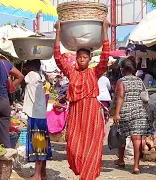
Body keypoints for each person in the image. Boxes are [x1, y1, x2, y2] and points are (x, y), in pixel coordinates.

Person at [54, 19, 110, 180]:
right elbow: (58, 58)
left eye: (85, 57)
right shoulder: (72, 72)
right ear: (76, 58)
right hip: (76, 113)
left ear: (89, 58)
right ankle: (83, 172)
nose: (82, 59)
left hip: (92, 113)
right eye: (80, 57)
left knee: (92, 146)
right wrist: (58, 32)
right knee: (73, 146)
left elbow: (105, 57)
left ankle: (88, 175)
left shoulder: (95, 72)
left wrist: (105, 30)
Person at [113, 57, 151, 174]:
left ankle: (121, 160)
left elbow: (120, 97)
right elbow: (144, 96)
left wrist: (117, 113)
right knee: (137, 138)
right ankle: (136, 166)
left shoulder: (121, 81)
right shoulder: (139, 81)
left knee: (122, 136)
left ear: (122, 69)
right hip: (139, 111)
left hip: (126, 111)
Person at [23, 60, 52, 180]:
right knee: (42, 144)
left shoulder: (32, 75)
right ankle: (43, 173)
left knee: (38, 145)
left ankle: (37, 175)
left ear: (31, 67)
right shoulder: (40, 77)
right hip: (40, 115)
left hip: (35, 115)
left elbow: (23, 78)